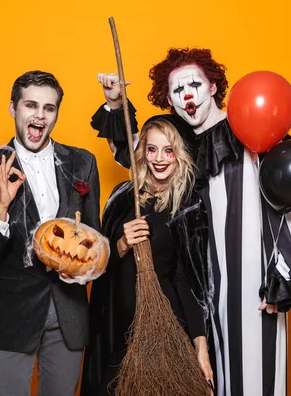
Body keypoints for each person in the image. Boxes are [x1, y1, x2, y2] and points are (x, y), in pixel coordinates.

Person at [91, 48, 291, 396]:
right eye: (176, 91)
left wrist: (286, 277)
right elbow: (142, 153)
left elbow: (290, 197)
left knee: (255, 381)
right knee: (212, 382)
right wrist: (116, 103)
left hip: (252, 287)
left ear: (213, 86)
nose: (187, 95)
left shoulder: (250, 128)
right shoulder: (185, 143)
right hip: (201, 294)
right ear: (168, 99)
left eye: (195, 84)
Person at [0, 70, 102, 396]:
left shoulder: (82, 162)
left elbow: (95, 239)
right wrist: (1, 209)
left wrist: (83, 269)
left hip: (69, 316)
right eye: (30, 105)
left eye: (49, 108)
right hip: (12, 315)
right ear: (12, 108)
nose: (39, 115)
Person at [81, 116, 214, 395]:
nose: (160, 159)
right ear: (142, 152)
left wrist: (200, 347)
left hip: (165, 330)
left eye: (169, 150)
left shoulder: (188, 205)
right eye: (152, 149)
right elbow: (98, 265)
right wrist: (120, 244)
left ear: (180, 155)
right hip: (118, 329)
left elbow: (189, 280)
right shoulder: (122, 197)